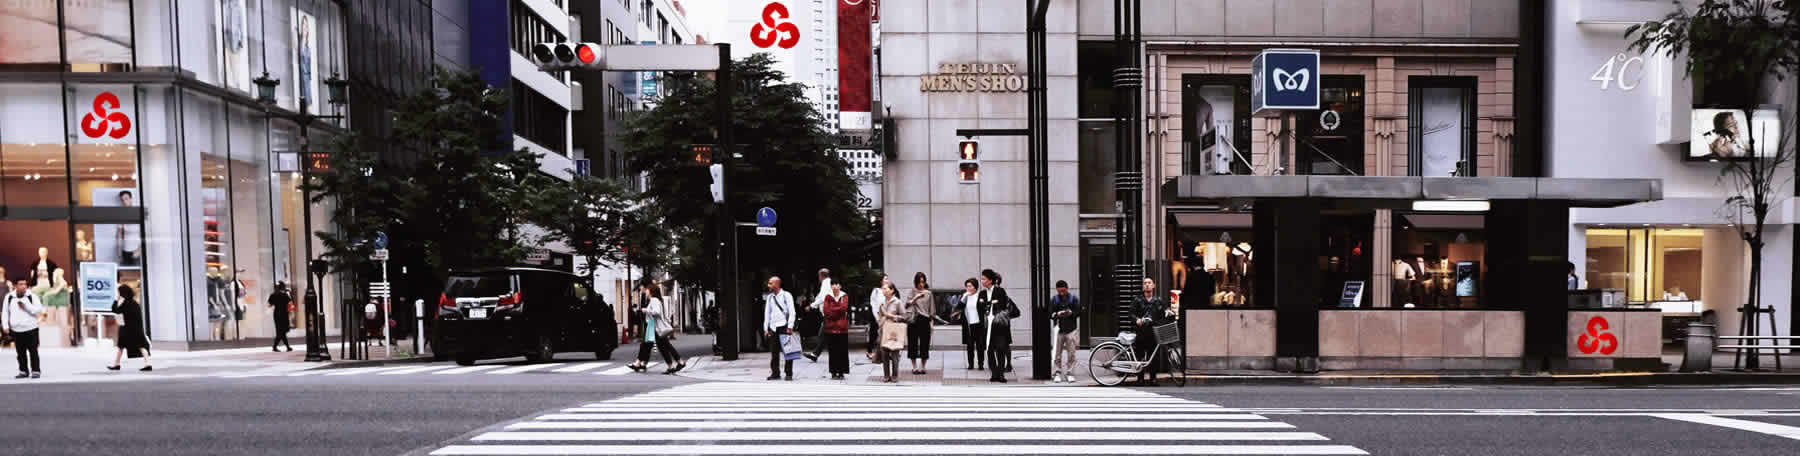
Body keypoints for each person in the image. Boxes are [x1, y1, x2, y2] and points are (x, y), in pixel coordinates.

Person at [629, 283, 684, 374]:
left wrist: (646, 310)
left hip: (655, 327)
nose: (646, 291)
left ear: (651, 291)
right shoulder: (654, 300)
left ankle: (677, 363)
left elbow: (656, 312)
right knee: (663, 346)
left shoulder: (654, 300)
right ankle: (673, 365)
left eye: (647, 289)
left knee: (663, 346)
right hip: (653, 326)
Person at [977, 269, 1019, 383]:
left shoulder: (1000, 291)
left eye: (984, 279)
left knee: (1000, 349)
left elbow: (1002, 304)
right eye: (982, 279)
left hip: (999, 325)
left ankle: (1001, 374)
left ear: (990, 280)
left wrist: (987, 303)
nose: (982, 281)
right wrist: (991, 303)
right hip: (987, 326)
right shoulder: (982, 293)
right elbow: (979, 307)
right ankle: (994, 373)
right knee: (989, 350)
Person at [5, 279, 46, 378]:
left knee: (33, 351)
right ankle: (23, 371)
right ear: (15, 286)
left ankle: (36, 370)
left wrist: (26, 307)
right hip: (17, 329)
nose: (24, 286)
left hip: (31, 328)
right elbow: (5, 312)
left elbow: (39, 310)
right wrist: (6, 326)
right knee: (20, 352)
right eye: (21, 284)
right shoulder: (9, 297)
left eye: (25, 284)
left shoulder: (32, 296)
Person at [1132, 278, 1169, 385]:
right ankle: (1140, 378)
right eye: (1145, 283)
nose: (1147, 285)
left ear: (1153, 286)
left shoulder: (1158, 300)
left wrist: (1168, 312)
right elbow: (1131, 314)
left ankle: (1153, 378)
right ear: (1143, 286)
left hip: (1153, 332)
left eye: (1149, 283)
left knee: (1154, 356)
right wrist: (1137, 320)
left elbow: (1164, 312)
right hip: (1141, 331)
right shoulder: (1137, 300)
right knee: (1139, 355)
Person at [107, 284, 152, 371]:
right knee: (141, 345)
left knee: (121, 346)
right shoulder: (134, 303)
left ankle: (117, 364)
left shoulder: (126, 303)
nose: (118, 294)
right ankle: (148, 364)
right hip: (137, 329)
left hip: (128, 329)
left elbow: (115, 310)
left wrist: (116, 300)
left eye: (119, 292)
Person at [763, 276, 796, 381]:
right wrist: (766, 327)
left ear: (777, 284)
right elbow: (767, 313)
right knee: (774, 352)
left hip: (784, 326)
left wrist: (790, 326)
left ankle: (789, 373)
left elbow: (792, 312)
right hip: (773, 327)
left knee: (788, 351)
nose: (768, 285)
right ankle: (775, 373)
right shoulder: (770, 297)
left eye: (770, 283)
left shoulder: (786, 295)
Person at [1049, 280, 1082, 383]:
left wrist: (1071, 313)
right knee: (1057, 354)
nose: (1062, 293)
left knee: (1071, 353)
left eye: (1063, 291)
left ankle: (1070, 373)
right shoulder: (1054, 299)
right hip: (1059, 329)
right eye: (1060, 291)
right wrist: (1057, 314)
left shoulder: (1073, 299)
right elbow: (1050, 313)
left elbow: (1079, 312)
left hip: (1071, 329)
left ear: (1067, 289)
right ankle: (1057, 373)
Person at [950, 278, 985, 370]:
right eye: (967, 286)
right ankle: (971, 364)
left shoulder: (980, 296)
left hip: (979, 324)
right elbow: (958, 308)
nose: (968, 288)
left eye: (970, 286)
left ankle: (980, 364)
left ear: (975, 287)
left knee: (980, 345)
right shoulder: (965, 297)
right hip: (969, 325)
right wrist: (963, 297)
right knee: (970, 345)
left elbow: (984, 308)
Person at [821, 281, 851, 380]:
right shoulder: (828, 297)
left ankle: (841, 372)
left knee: (842, 350)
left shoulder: (844, 296)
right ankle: (833, 372)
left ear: (840, 286)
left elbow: (844, 308)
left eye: (837, 284)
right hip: (831, 328)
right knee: (832, 351)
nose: (835, 286)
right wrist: (838, 311)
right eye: (833, 284)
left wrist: (833, 309)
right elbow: (826, 311)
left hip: (842, 328)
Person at [905, 272, 934, 375]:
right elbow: (906, 305)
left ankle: (923, 366)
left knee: (924, 344)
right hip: (913, 320)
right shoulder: (912, 292)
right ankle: (914, 367)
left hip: (925, 320)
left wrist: (931, 323)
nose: (921, 284)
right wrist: (916, 297)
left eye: (923, 282)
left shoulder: (928, 293)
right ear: (915, 282)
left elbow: (931, 310)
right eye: (919, 282)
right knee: (912, 343)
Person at [877, 282, 907, 383]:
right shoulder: (881, 302)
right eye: (883, 289)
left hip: (893, 331)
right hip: (883, 330)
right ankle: (886, 375)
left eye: (886, 289)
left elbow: (904, 317)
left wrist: (892, 316)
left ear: (892, 290)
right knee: (884, 354)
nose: (883, 291)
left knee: (894, 355)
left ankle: (895, 375)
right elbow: (880, 315)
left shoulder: (897, 302)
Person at [804, 268, 833, 362]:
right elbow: (820, 296)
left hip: (828, 313)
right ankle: (815, 354)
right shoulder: (827, 283)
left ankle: (815, 354)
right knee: (824, 334)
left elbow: (823, 297)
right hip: (828, 313)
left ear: (821, 276)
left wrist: (812, 306)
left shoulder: (826, 283)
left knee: (823, 334)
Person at [865, 273, 890, 358]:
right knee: (874, 333)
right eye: (885, 279)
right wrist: (876, 316)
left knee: (885, 334)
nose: (887, 280)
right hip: (876, 314)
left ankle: (886, 352)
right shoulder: (876, 290)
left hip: (885, 315)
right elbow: (873, 304)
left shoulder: (888, 290)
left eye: (887, 279)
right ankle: (870, 351)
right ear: (881, 280)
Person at [268, 283, 293, 351]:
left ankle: (283, 347)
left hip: (277, 314)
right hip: (284, 314)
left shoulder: (273, 295)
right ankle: (281, 347)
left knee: (280, 331)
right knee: (282, 332)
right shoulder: (285, 295)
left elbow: (269, 305)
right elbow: (290, 303)